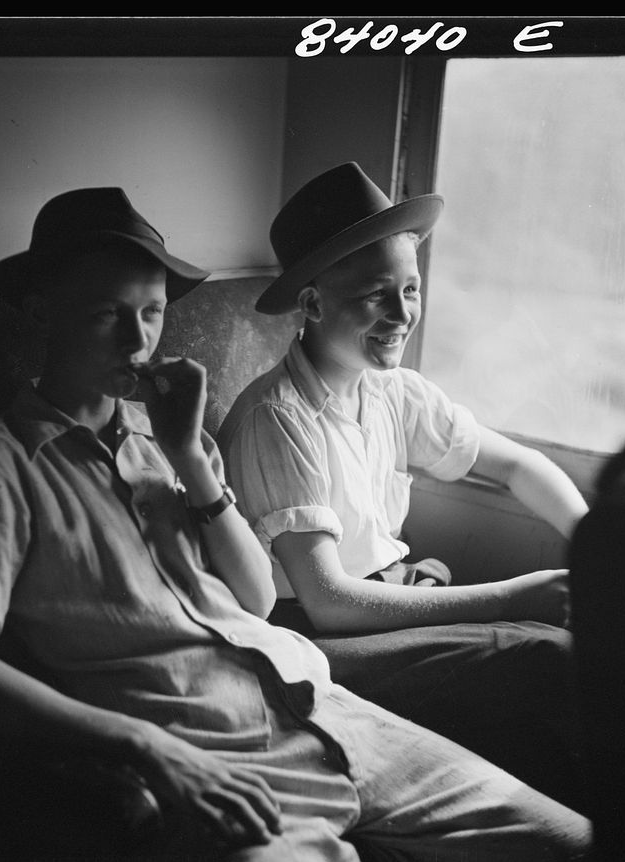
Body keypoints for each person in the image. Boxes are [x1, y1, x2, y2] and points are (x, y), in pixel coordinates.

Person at [0, 186, 591, 862]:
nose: (137, 342)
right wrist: (149, 750)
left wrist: (191, 460)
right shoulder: (0, 464)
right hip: (207, 746)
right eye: (106, 316)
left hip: (323, 709)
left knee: (582, 857)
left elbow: (257, 597)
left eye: (151, 315)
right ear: (42, 313)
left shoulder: (170, 441)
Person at [218, 163, 591, 805]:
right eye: (375, 296)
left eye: (411, 290)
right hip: (315, 635)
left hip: (385, 603)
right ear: (311, 304)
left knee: (572, 653)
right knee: (543, 658)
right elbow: (330, 598)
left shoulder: (392, 392)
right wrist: (511, 596)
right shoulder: (276, 418)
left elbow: (516, 466)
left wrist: (598, 544)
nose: (402, 315)